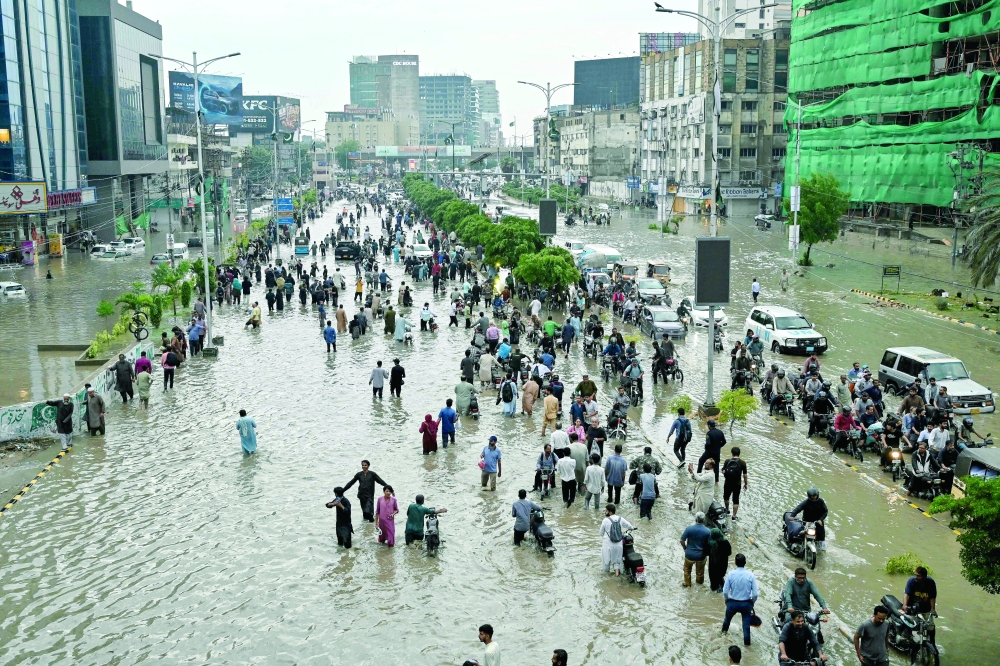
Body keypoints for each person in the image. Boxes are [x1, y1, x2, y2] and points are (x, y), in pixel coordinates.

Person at [722, 553, 759, 647]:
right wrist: (752, 603)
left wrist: (727, 600)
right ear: (745, 562)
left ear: (735, 562)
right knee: (746, 627)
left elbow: (725, 591)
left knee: (727, 621)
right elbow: (755, 594)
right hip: (746, 604)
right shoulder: (751, 575)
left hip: (732, 603)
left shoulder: (731, 574)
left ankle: (722, 635)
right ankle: (747, 646)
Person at [600, 503, 634, 575]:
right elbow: (630, 526)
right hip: (618, 544)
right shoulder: (620, 518)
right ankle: (617, 578)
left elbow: (601, 533)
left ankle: (607, 580)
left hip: (607, 545)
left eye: (606, 511)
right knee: (617, 563)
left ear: (610, 512)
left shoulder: (605, 520)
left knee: (606, 563)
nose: (605, 512)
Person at [681, 512, 712, 586]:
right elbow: (710, 544)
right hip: (701, 556)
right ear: (704, 520)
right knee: (700, 572)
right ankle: (699, 586)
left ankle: (688, 584)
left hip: (689, 555)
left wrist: (685, 548)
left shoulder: (689, 529)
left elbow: (682, 540)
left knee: (687, 570)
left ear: (696, 519)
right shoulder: (708, 531)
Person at [722, 448, 749, 520]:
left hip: (727, 482)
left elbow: (723, 471)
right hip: (737, 484)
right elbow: (745, 475)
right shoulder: (743, 462)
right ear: (739, 453)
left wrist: (726, 474)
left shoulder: (727, 461)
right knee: (736, 499)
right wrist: (746, 484)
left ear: (732, 453)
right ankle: (734, 516)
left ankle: (727, 510)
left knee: (726, 497)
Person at [700, 419, 726, 483]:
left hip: (709, 452)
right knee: (716, 466)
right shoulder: (720, 432)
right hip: (717, 452)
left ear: (709, 426)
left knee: (701, 461)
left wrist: (706, 448)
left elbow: (708, 444)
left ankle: (698, 475)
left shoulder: (709, 433)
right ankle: (716, 482)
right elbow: (724, 442)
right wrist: (719, 446)